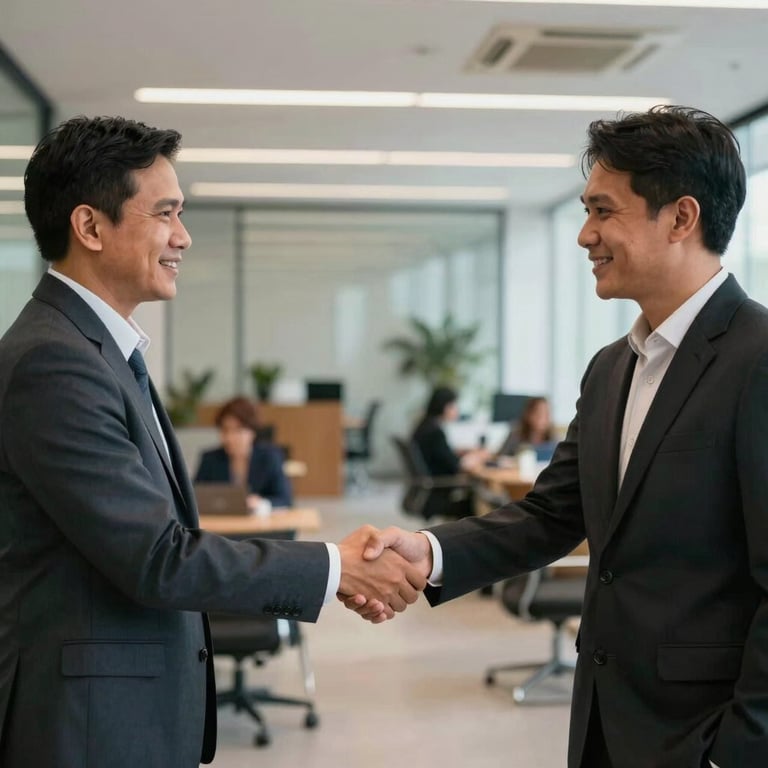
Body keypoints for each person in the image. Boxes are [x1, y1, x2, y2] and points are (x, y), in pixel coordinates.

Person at [347, 106, 768, 768]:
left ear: (681, 219)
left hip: (705, 735)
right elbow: (551, 515)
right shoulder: (611, 368)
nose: (584, 236)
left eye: (603, 212)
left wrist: (740, 751)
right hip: (605, 717)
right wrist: (426, 552)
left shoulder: (759, 358)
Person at [0, 115, 425, 768]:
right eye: (166, 214)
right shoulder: (53, 363)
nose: (183, 237)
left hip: (117, 714)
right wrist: (336, 567)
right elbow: (157, 559)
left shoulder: (97, 352)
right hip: (86, 728)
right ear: (89, 227)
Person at [195, 396, 292, 509]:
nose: (230, 437)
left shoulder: (270, 457)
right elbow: (195, 497)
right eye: (225, 430)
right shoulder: (209, 459)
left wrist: (261, 503)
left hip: (260, 524)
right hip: (221, 523)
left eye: (238, 430)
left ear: (252, 431)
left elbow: (285, 499)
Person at [411, 386, 488, 476]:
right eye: (453, 406)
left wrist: (463, 452)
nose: (456, 410)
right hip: (442, 482)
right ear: (444, 406)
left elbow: (442, 455)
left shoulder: (425, 425)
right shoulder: (435, 433)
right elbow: (456, 466)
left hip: (434, 477)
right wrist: (477, 457)